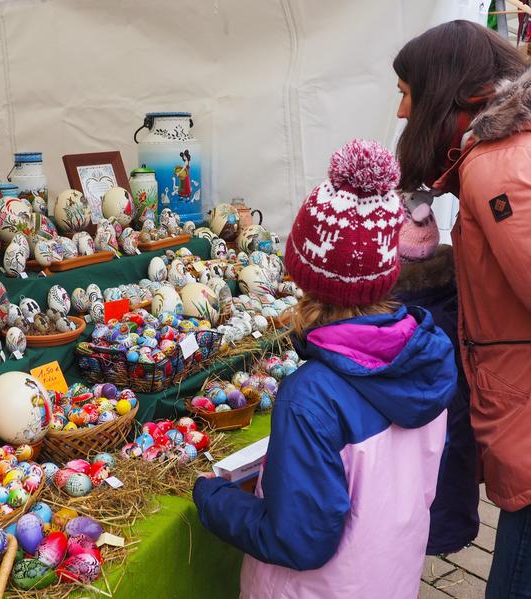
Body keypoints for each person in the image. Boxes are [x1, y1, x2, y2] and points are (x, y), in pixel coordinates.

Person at [192, 139, 457, 599]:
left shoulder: (310, 397)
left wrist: (214, 499)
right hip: (390, 578)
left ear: (302, 277)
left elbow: (298, 539)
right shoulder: (427, 356)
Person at [394, 20, 531, 597]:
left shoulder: (494, 167)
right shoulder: (495, 154)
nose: (402, 112)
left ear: (443, 89)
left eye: (406, 91)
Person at [393, 194, 479, 555]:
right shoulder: (459, 297)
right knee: (451, 460)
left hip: (409, 467)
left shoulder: (397, 317)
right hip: (457, 423)